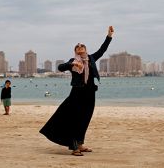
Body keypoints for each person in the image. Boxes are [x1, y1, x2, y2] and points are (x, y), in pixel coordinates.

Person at [39, 26, 114, 156]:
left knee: (85, 119)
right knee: (75, 119)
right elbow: (60, 67)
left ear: (85, 50)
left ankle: (80, 144)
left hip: (90, 93)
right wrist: (73, 64)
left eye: (82, 48)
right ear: (75, 51)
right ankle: (74, 147)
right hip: (77, 94)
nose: (80, 49)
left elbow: (102, 50)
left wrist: (109, 36)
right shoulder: (72, 61)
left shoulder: (91, 59)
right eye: (77, 48)